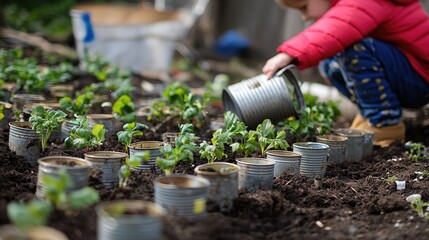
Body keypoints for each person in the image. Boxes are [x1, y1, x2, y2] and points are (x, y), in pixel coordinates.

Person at [263, 0, 429, 147]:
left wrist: (289, 54)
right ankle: (371, 115)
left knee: (353, 49)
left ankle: (385, 123)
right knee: (330, 64)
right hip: (410, 77)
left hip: (420, 79)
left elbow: (335, 27)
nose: (304, 16)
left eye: (304, 7)